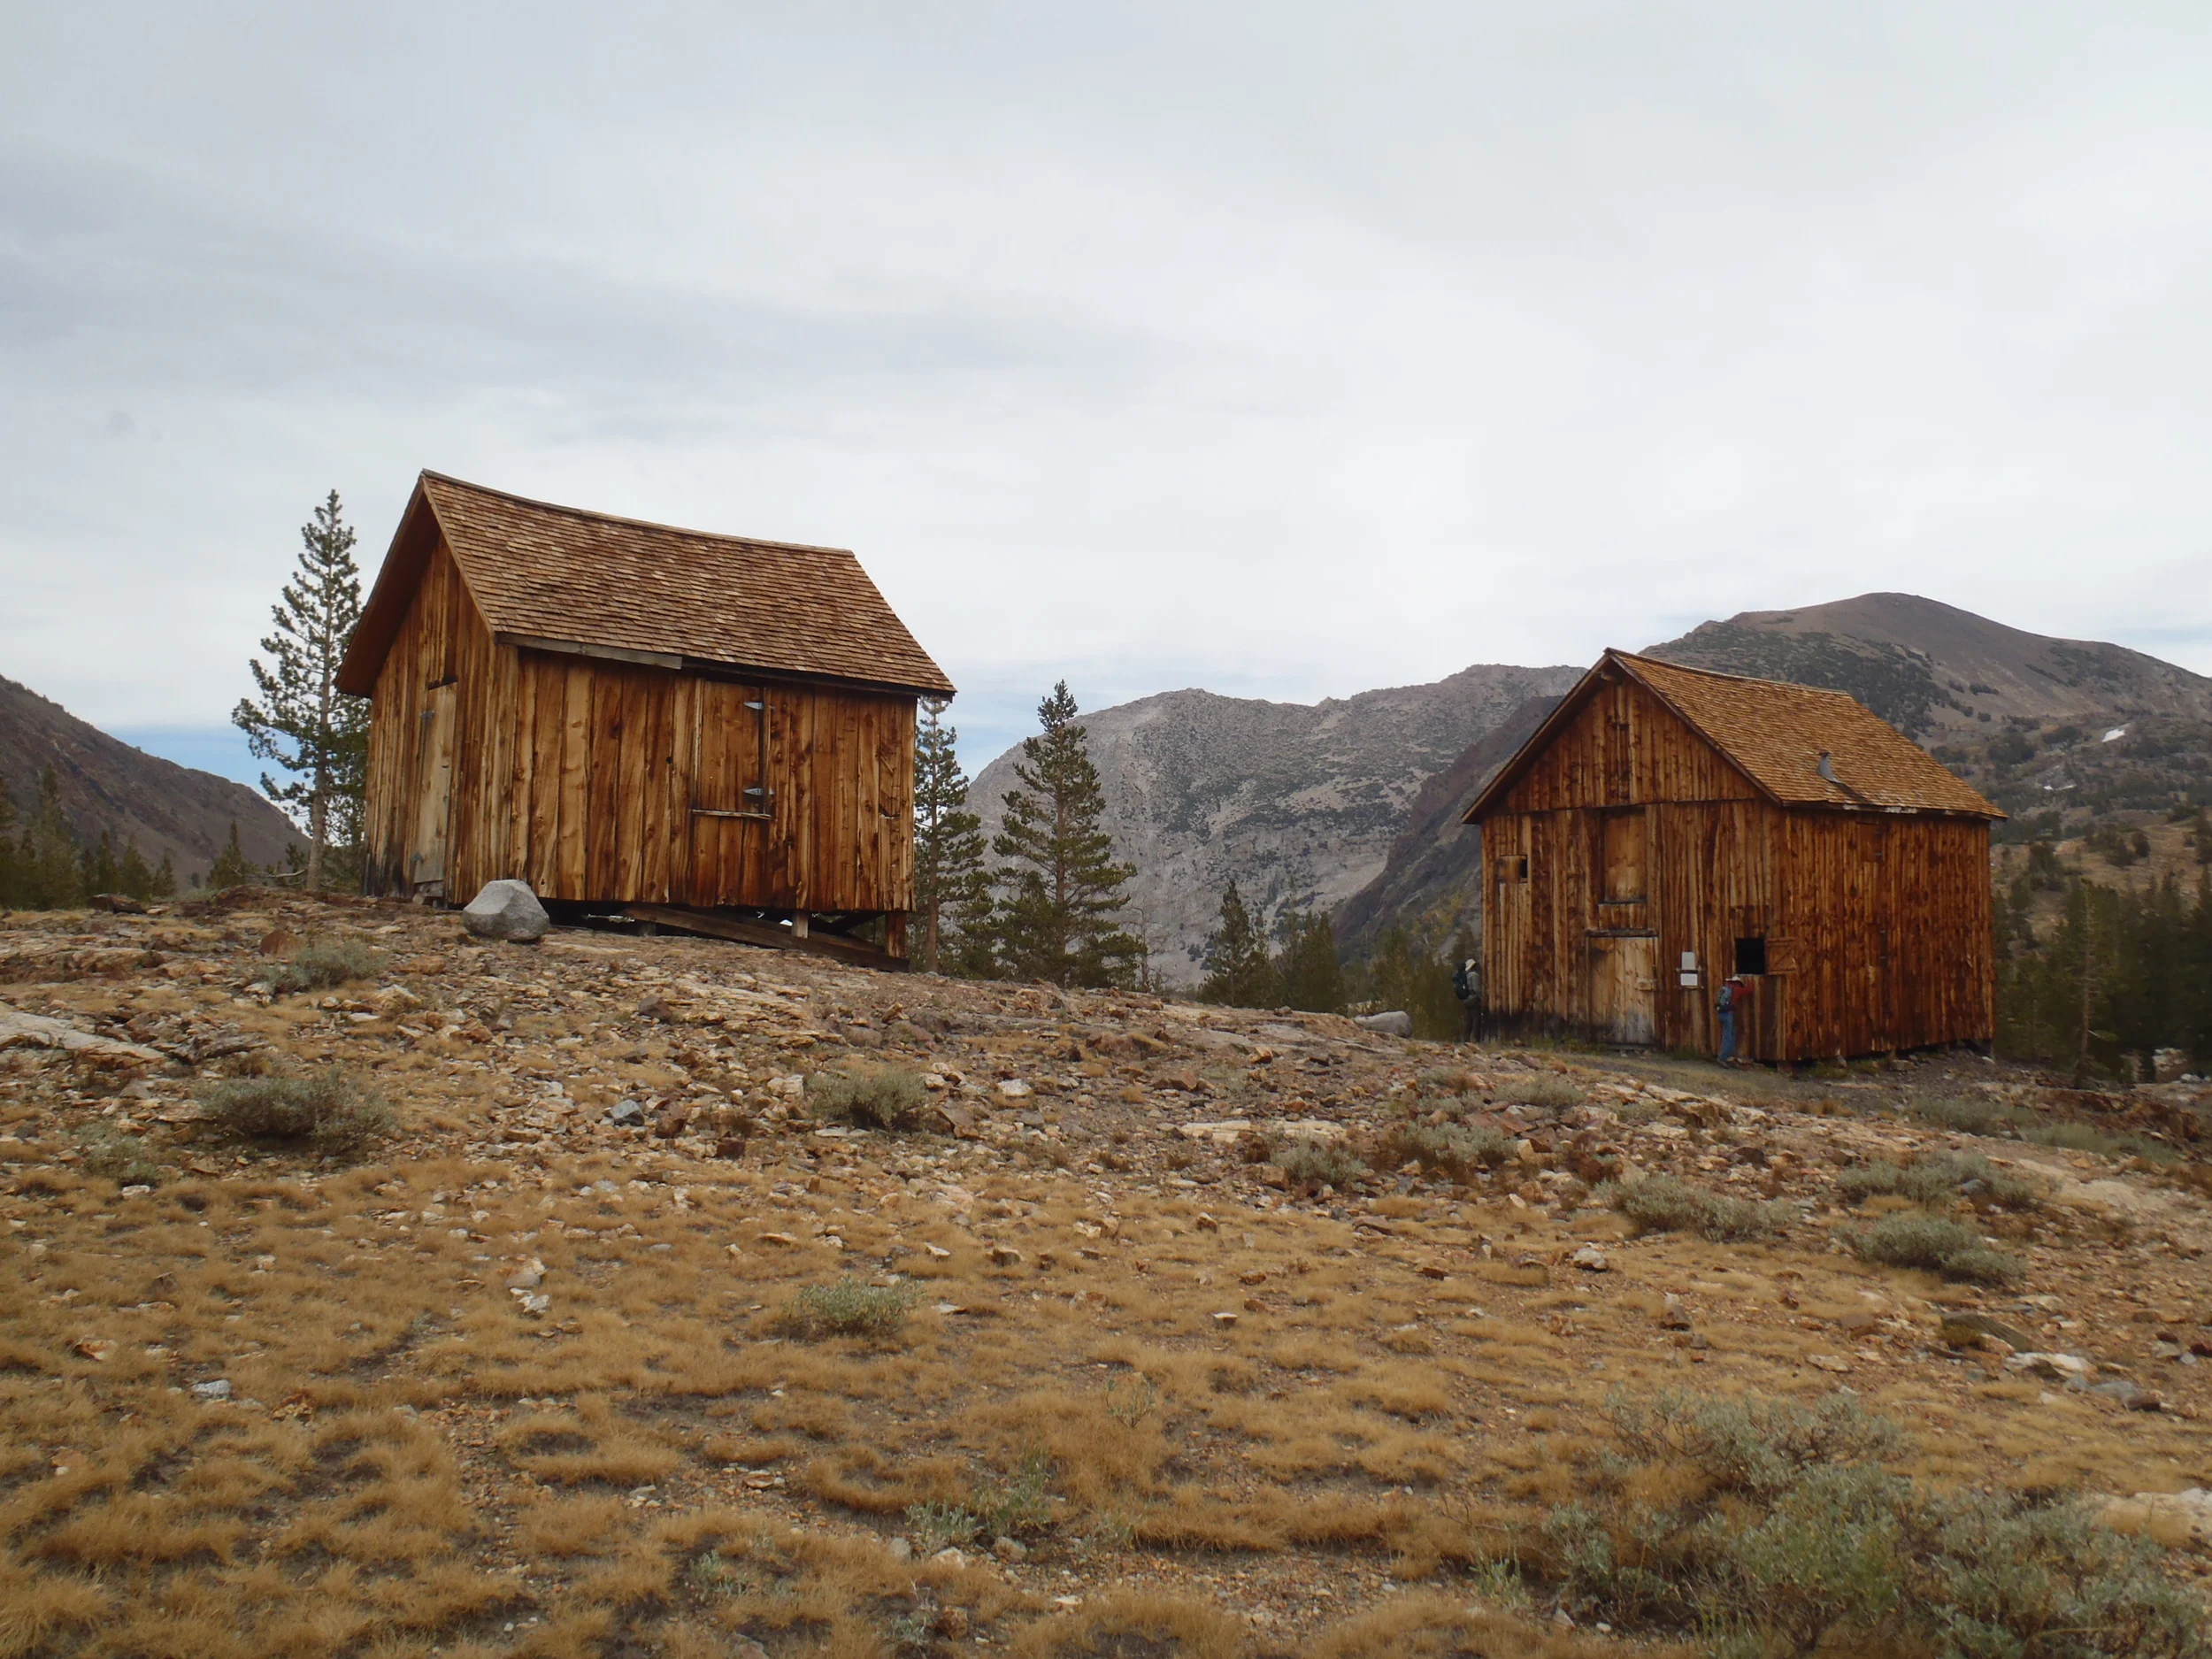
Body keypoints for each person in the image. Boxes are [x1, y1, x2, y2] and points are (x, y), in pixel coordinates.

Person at [1716, 973, 1746, 1066]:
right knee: (1728, 1036)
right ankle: (1722, 1058)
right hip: (1728, 1014)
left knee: (1731, 1034)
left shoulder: (1724, 989)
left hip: (1721, 1013)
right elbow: (1749, 990)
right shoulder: (1735, 990)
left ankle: (1730, 1056)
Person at [1453, 955, 1483, 1044]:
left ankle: (1466, 1039)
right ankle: (1476, 1040)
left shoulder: (1465, 975)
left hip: (1466, 1000)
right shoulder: (1474, 975)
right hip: (1474, 999)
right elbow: (1476, 989)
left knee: (1468, 1020)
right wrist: (1482, 996)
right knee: (1476, 1019)